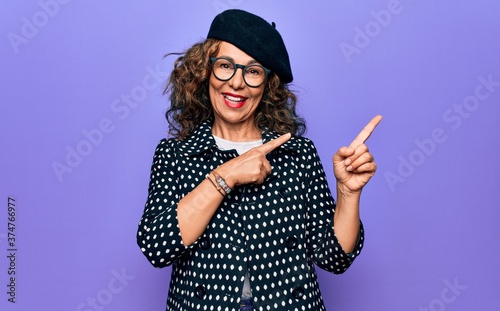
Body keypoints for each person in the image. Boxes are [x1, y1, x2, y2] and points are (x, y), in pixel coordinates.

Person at [137, 9, 382, 311]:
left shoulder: (298, 154)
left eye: (253, 71)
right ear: (205, 72)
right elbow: (157, 247)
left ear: (267, 84)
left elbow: (334, 258)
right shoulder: (174, 155)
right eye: (225, 66)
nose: (237, 83)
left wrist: (348, 192)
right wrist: (225, 177)